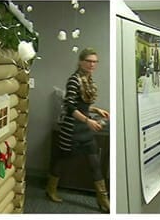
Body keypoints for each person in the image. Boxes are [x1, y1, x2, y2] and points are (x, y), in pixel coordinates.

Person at [47, 48, 110, 212]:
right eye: (89, 61)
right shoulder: (74, 80)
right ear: (81, 61)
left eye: (95, 61)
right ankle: (51, 189)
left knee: (95, 163)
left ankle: (103, 200)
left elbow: (83, 106)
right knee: (62, 159)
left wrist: (95, 110)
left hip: (85, 130)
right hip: (72, 129)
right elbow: (69, 107)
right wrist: (88, 120)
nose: (92, 64)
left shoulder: (89, 80)